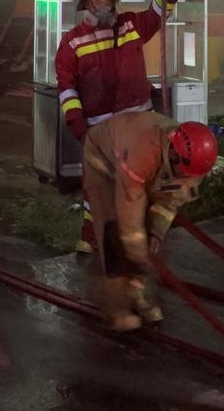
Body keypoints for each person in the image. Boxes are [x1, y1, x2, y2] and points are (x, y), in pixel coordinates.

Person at [55, 0, 181, 253]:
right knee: (97, 187)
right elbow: (67, 89)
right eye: (101, 2)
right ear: (89, 2)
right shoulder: (72, 42)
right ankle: (92, 239)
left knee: (144, 180)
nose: (107, 7)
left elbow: (156, 15)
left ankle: (144, 237)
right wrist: (78, 126)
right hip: (101, 131)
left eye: (111, 3)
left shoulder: (130, 25)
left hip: (139, 126)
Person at [82, 111, 217, 330]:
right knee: (113, 231)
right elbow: (130, 219)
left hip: (134, 158)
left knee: (146, 234)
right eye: (184, 173)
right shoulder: (144, 149)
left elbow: (171, 199)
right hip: (102, 160)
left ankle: (136, 294)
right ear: (173, 154)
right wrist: (138, 250)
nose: (187, 179)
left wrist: (157, 232)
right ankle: (117, 309)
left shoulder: (189, 158)